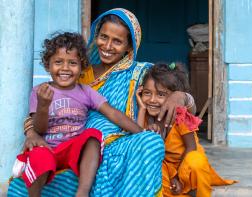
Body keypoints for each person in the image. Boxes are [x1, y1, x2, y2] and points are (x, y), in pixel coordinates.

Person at [8, 8, 194, 197]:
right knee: (23, 185)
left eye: (117, 41)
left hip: (119, 147)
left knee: (151, 142)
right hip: (75, 150)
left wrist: (181, 96)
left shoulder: (141, 72)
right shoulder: (76, 70)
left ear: (130, 47)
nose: (107, 46)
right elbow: (42, 111)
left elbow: (183, 99)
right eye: (104, 37)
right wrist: (31, 132)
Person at [13, 32, 143, 197]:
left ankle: (82, 192)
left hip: (72, 149)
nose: (65, 68)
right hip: (46, 147)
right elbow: (38, 129)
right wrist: (43, 106)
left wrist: (140, 132)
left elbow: (113, 113)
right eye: (58, 62)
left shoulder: (86, 92)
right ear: (48, 65)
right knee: (38, 156)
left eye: (72, 63)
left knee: (93, 136)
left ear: (81, 66)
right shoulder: (40, 91)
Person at [136, 63, 237, 197]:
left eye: (161, 95)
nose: (152, 100)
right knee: (153, 170)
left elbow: (191, 147)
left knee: (196, 161)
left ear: (173, 98)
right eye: (147, 93)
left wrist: (177, 177)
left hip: (187, 167)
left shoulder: (180, 116)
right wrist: (142, 109)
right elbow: (137, 138)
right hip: (167, 170)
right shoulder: (145, 117)